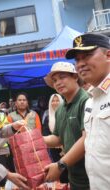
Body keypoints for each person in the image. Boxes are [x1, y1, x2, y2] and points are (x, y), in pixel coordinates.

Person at [66, 33, 110, 190]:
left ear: (108, 55)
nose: (80, 64)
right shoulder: (91, 101)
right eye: (77, 59)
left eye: (87, 55)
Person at [43, 61, 89, 190]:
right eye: (54, 80)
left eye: (62, 77)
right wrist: (34, 140)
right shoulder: (61, 109)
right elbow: (58, 138)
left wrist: (60, 165)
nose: (58, 82)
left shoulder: (86, 101)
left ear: (75, 77)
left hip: (91, 174)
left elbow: (87, 139)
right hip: (74, 175)